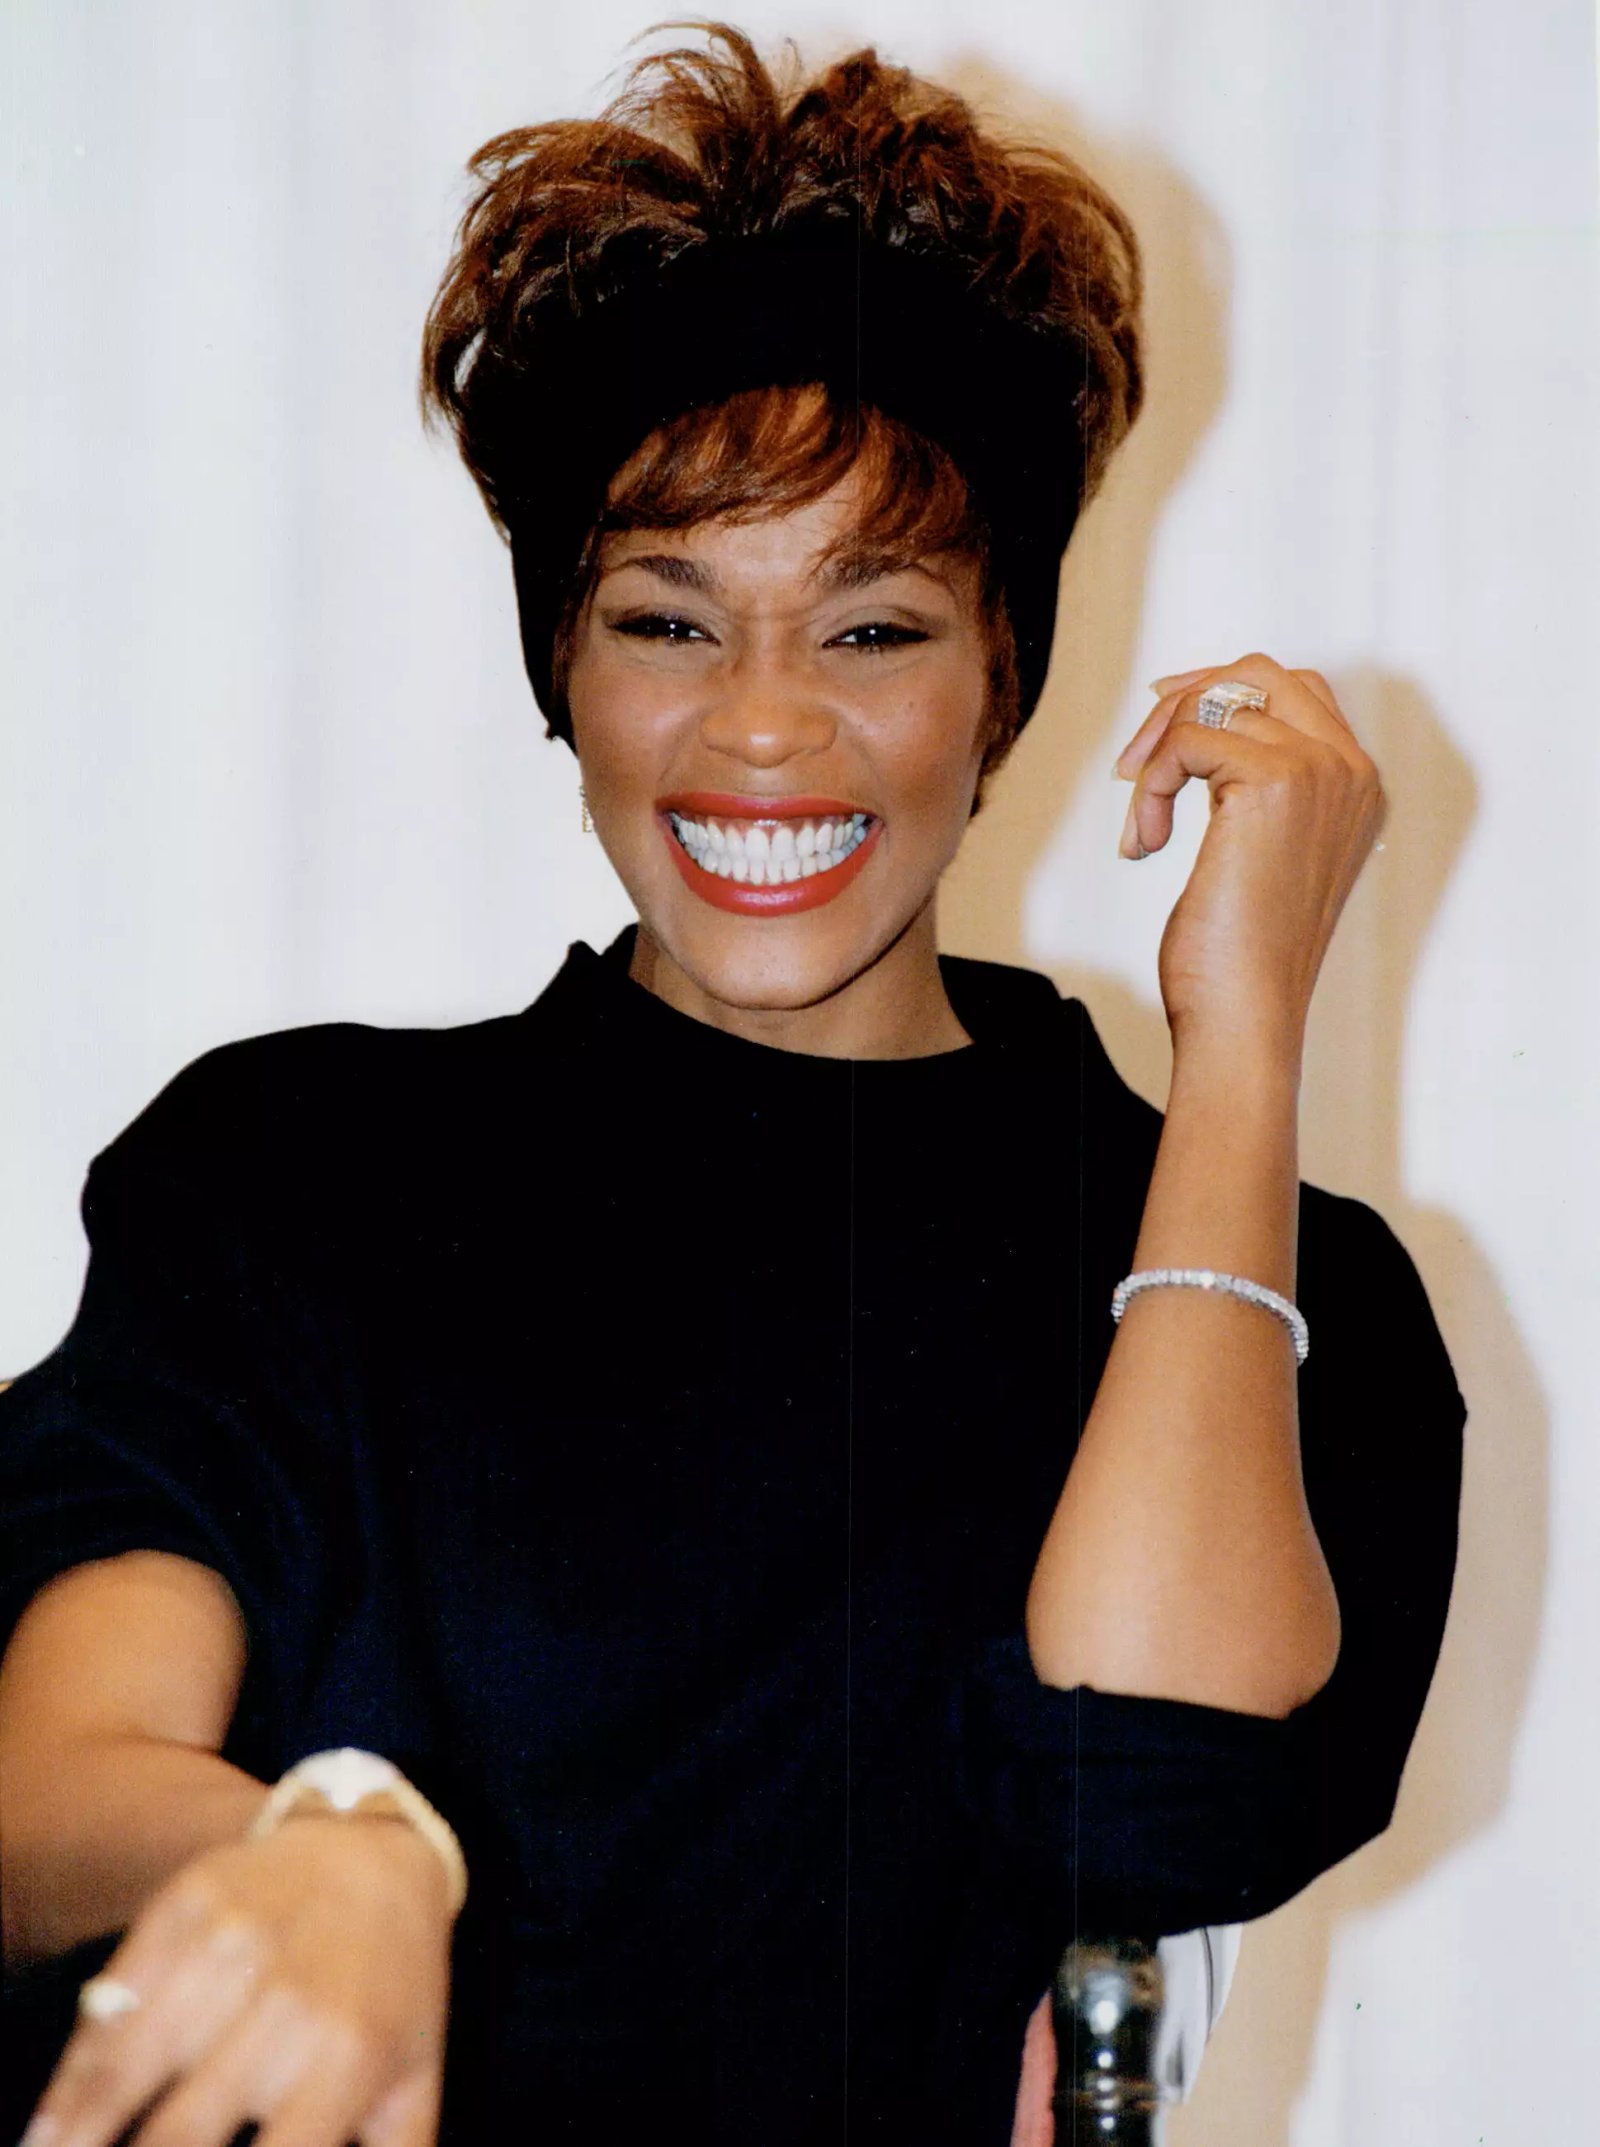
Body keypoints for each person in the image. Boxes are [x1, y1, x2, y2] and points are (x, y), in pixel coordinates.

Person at [0, 22, 1466, 2145]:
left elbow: (1137, 1812)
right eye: (666, 623)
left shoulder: (1264, 1274)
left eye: (873, 630)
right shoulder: (298, 1172)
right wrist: (328, 1845)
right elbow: (42, 1799)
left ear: (1004, 680)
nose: (761, 729)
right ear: (560, 672)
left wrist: (1238, 1040)